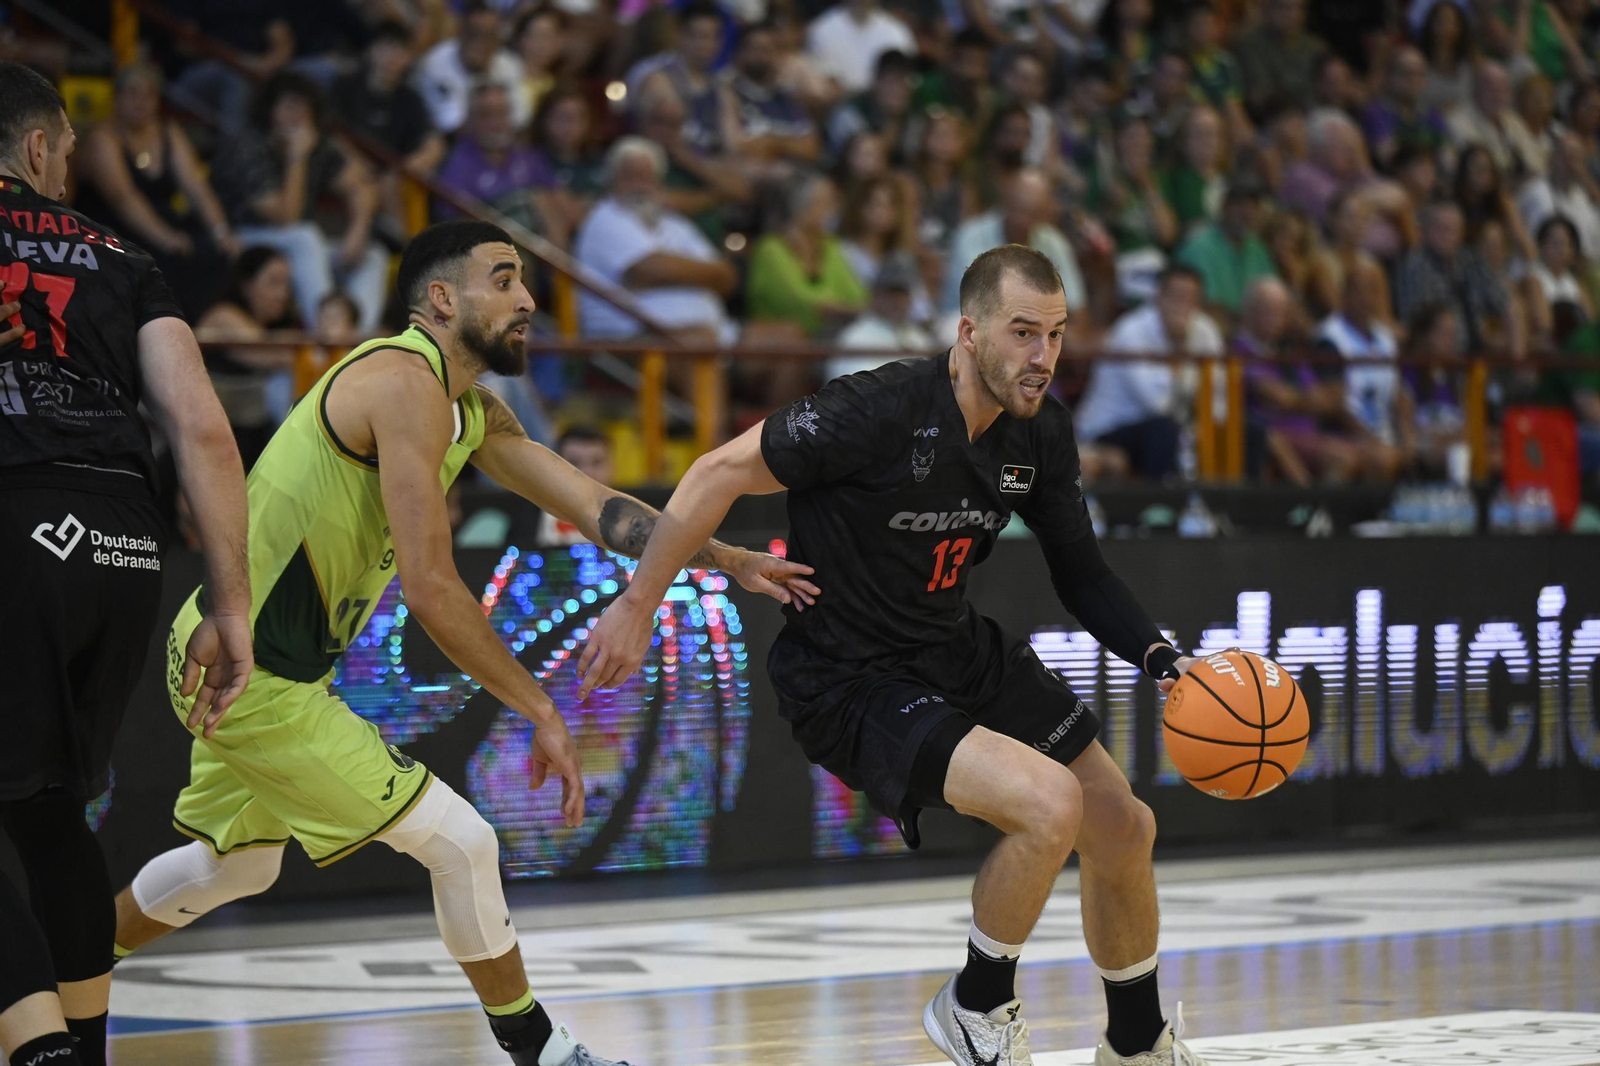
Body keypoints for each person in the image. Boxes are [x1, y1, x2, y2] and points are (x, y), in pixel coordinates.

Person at [109, 220, 813, 1066]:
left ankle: (52, 967)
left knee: (234, 869)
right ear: (443, 299)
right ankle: (541, 1051)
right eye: (506, 278)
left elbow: (595, 505)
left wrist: (726, 555)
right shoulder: (402, 382)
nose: (528, 299)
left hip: (251, 664)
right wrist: (539, 708)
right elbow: (434, 589)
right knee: (463, 843)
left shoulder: (467, 406)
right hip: (247, 670)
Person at [582, 244, 1210, 1066]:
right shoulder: (877, 408)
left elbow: (1081, 573)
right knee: (1049, 806)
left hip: (953, 648)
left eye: (1054, 335)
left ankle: (1137, 1047)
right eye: (1023, 333)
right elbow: (715, 472)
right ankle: (976, 1006)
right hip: (848, 675)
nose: (1042, 356)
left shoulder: (1041, 434)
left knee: (1124, 825)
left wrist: (1165, 661)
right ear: (968, 332)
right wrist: (639, 603)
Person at [0, 63, 250, 1066]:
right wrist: (230, 605)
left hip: (11, 510)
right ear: (37, 146)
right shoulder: (125, 256)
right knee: (47, 801)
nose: (67, 165)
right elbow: (201, 429)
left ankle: (38, 1051)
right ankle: (88, 1048)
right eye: (66, 147)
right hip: (121, 536)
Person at [211, 73, 388, 330]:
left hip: (298, 247)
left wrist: (358, 229)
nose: (298, 117)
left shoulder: (317, 145)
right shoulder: (249, 146)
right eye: (290, 107)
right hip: (245, 240)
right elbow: (285, 217)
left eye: (306, 110)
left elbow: (363, 186)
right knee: (304, 236)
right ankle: (325, 333)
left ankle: (351, 342)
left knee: (373, 255)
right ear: (271, 109)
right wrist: (297, 158)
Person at [72, 62, 237, 317]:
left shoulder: (168, 132)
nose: (141, 102)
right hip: (110, 228)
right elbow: (124, 200)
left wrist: (221, 232)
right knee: (162, 258)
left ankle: (200, 326)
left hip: (161, 219)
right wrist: (166, 238)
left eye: (149, 95)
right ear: (116, 98)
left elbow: (196, 187)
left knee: (215, 253)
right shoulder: (102, 138)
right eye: (133, 94)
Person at [573, 137, 738, 342]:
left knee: (783, 338)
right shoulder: (605, 217)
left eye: (646, 177)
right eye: (630, 176)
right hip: (630, 340)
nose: (639, 186)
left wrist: (672, 268)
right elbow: (649, 270)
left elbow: (727, 277)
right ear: (612, 180)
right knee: (698, 343)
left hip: (713, 332)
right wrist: (702, 274)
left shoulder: (675, 223)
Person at [1075, 264, 1224, 480]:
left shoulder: (1206, 331)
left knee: (1248, 431)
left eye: (1190, 298)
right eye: (1176, 296)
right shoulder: (1131, 332)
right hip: (1108, 428)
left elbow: (1218, 397)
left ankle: (1237, 508)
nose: (1182, 306)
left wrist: (1209, 424)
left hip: (1171, 426)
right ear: (1159, 297)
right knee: (1163, 430)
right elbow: (1157, 405)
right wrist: (1178, 352)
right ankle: (1159, 509)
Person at [193, 247, 302, 470]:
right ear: (246, 283)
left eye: (286, 284)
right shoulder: (223, 315)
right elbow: (268, 354)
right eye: (273, 282)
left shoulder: (275, 326)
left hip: (245, 435)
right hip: (204, 437)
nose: (282, 294)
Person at [1314, 253, 1409, 479]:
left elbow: (1400, 396)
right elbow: (1335, 405)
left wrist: (1407, 437)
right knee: (1381, 459)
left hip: (1384, 434)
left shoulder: (1386, 338)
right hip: (1343, 434)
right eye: (1360, 290)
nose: (1367, 298)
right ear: (1345, 294)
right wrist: (1373, 440)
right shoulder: (1328, 338)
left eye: (1373, 291)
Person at [944, 168, 1086, 317]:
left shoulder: (1054, 242)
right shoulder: (971, 236)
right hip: (970, 321)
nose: (1024, 220)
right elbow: (978, 301)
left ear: (1045, 213)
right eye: (1019, 209)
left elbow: (1076, 307)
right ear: (1006, 202)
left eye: (1033, 212)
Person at [746, 171, 867, 338]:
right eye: (825, 202)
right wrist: (844, 309)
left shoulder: (830, 246)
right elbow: (802, 303)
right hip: (785, 346)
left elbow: (857, 296)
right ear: (800, 207)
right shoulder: (770, 249)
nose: (833, 209)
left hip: (834, 338)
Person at [1395, 199, 1512, 351]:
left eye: (1452, 229)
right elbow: (1419, 325)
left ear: (1461, 233)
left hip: (1477, 356)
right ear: (1424, 231)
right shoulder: (1414, 264)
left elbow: (1504, 302)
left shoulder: (1470, 259)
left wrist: (1513, 351)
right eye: (1440, 229)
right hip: (1432, 357)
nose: (1447, 235)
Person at [413, 2, 530, 135]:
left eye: (488, 35)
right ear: (461, 32)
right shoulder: (434, 64)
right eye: (474, 33)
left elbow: (520, 120)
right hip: (450, 145)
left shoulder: (510, 64)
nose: (480, 42)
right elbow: (451, 125)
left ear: (498, 39)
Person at [1175, 182, 1277, 320]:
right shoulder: (1199, 247)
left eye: (1254, 206)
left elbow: (1273, 297)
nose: (1247, 213)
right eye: (1240, 205)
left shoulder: (1257, 248)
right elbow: (1206, 307)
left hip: (1254, 329)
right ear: (1224, 207)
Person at [830, 252, 935, 378]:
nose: (895, 302)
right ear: (874, 297)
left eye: (901, 295)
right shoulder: (855, 337)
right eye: (889, 294)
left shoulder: (919, 337)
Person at [1233, 0, 1327, 116]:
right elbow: (1259, 97)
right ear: (1267, 9)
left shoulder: (1314, 46)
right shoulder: (1250, 44)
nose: (1292, 14)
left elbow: (1328, 88)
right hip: (1273, 117)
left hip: (1316, 112)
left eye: (1299, 8)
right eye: (1284, 8)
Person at [805, 0, 917, 97]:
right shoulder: (821, 30)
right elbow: (822, 84)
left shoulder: (898, 33)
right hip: (838, 110)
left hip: (886, 110)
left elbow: (908, 81)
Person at [536, 426, 615, 546]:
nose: (587, 473)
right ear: (553, 468)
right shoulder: (527, 519)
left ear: (612, 467)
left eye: (596, 463)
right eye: (574, 463)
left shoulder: (635, 521)